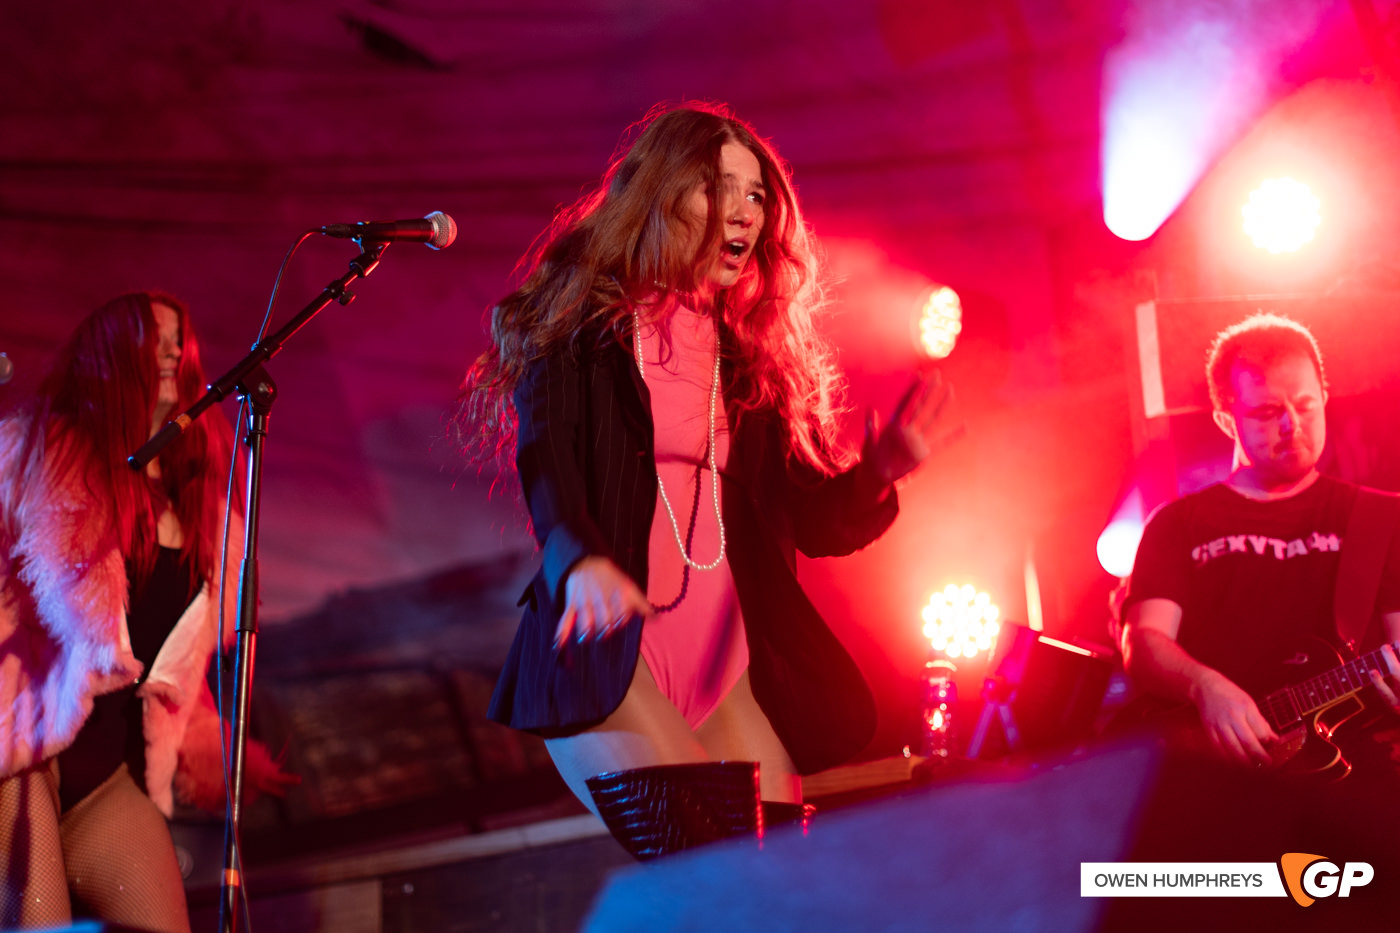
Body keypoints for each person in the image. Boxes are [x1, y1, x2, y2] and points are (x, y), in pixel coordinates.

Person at [458, 102, 962, 856]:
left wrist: (880, 471)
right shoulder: (580, 326)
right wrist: (582, 560)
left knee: (772, 879)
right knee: (703, 870)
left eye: (756, 194)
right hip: (612, 652)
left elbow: (814, 522)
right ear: (662, 194)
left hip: (724, 665)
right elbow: (548, 462)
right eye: (716, 187)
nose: (743, 212)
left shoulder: (747, 359)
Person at [0, 292, 288, 930]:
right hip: (20, 756)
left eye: (176, 342)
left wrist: (208, 746)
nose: (168, 353)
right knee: (40, 927)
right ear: (106, 358)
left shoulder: (208, 517)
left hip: (109, 774)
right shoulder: (28, 463)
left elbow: (173, 669)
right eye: (150, 339)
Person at [1122, 313, 1400, 776]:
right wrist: (1204, 687)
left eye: (1306, 406)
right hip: (1219, 778)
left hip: (1354, 776)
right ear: (1226, 421)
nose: (1292, 425)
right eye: (1268, 413)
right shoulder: (1179, 524)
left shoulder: (1384, 519)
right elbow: (1145, 641)